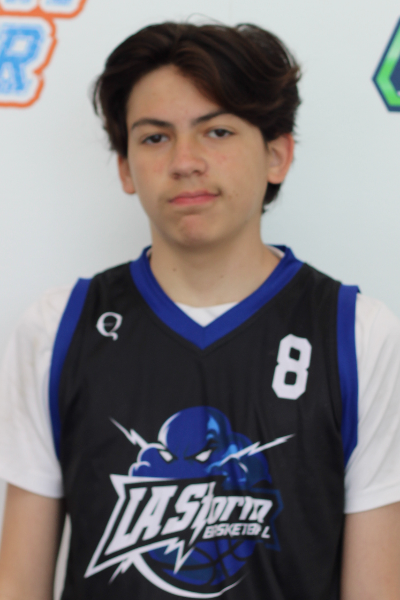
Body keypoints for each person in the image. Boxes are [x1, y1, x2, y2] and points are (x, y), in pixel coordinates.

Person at [0, 21, 400, 600]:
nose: (185, 161)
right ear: (124, 166)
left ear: (277, 155)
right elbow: (18, 583)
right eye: (154, 138)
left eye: (217, 131)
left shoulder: (359, 333)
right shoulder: (57, 327)